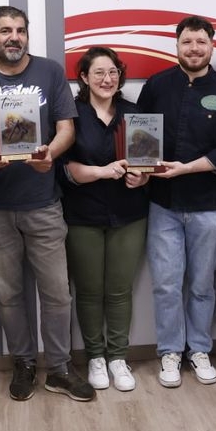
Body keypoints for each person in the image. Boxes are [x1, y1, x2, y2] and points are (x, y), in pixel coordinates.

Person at [0, 5, 94, 402]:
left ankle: (60, 369)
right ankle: (24, 362)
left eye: (20, 30)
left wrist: (50, 153)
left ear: (27, 35)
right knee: (9, 294)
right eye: (5, 30)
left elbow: (66, 129)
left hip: (43, 203)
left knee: (57, 293)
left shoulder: (50, 72)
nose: (13, 37)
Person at [138, 15, 216, 387]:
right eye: (187, 42)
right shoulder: (156, 86)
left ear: (212, 46)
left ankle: (199, 348)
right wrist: (142, 168)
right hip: (163, 203)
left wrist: (186, 168)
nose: (194, 48)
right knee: (166, 284)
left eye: (201, 42)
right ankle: (170, 351)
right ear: (177, 45)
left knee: (202, 284)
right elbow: (140, 137)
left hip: (210, 205)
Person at [60, 47, 150, 392]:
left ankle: (118, 358)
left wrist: (142, 177)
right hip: (82, 215)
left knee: (119, 290)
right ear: (84, 77)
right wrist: (102, 171)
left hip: (129, 214)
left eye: (112, 72)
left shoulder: (135, 113)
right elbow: (65, 168)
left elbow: (146, 163)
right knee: (88, 291)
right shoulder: (71, 115)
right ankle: (95, 357)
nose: (107, 79)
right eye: (98, 72)